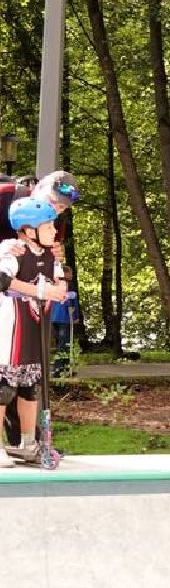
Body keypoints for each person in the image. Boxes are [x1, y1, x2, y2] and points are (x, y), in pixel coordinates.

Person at [0, 198, 68, 466]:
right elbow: (2, 279)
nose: (54, 230)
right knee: (4, 389)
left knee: (30, 388)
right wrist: (39, 291)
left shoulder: (51, 254)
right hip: (9, 330)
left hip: (35, 329)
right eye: (48, 225)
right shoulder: (12, 249)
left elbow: (60, 280)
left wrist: (58, 289)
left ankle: (27, 441)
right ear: (29, 230)